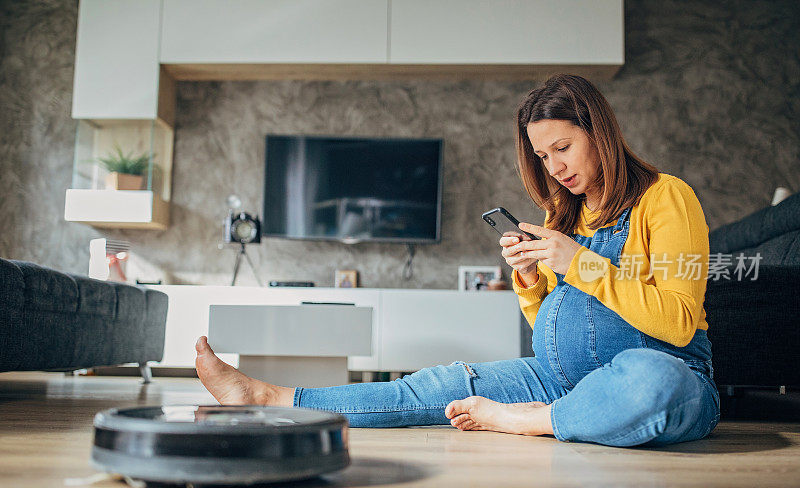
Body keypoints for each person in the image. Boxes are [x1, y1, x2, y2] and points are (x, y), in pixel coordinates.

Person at [194, 74, 719, 447]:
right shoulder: (564, 215)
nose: (554, 167)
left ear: (598, 133)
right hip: (565, 379)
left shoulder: (667, 197)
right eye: (542, 156)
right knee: (439, 384)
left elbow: (676, 323)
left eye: (563, 147)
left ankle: (531, 421)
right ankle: (271, 397)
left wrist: (578, 261)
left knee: (652, 383)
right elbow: (553, 333)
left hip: (668, 371)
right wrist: (531, 279)